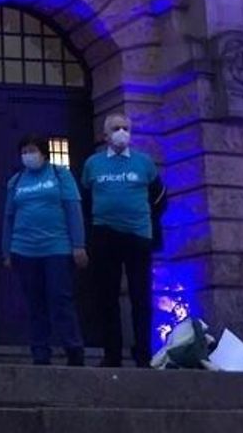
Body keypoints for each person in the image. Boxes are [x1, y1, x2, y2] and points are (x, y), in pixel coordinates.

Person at [82, 112, 165, 368]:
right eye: (116, 128)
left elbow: (160, 195)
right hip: (104, 235)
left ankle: (143, 353)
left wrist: (146, 219)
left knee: (141, 297)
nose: (121, 132)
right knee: (107, 297)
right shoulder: (93, 164)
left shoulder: (144, 163)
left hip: (137, 236)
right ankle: (112, 354)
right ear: (105, 135)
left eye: (125, 128)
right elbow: (86, 198)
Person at [3, 134, 88, 366]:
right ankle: (40, 353)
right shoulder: (16, 181)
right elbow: (9, 217)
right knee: (34, 304)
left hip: (57, 249)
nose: (28, 156)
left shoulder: (60, 175)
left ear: (43, 153)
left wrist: (78, 244)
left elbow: (73, 209)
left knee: (61, 299)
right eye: (24, 152)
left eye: (32, 151)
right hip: (24, 250)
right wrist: (6, 251)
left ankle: (73, 349)